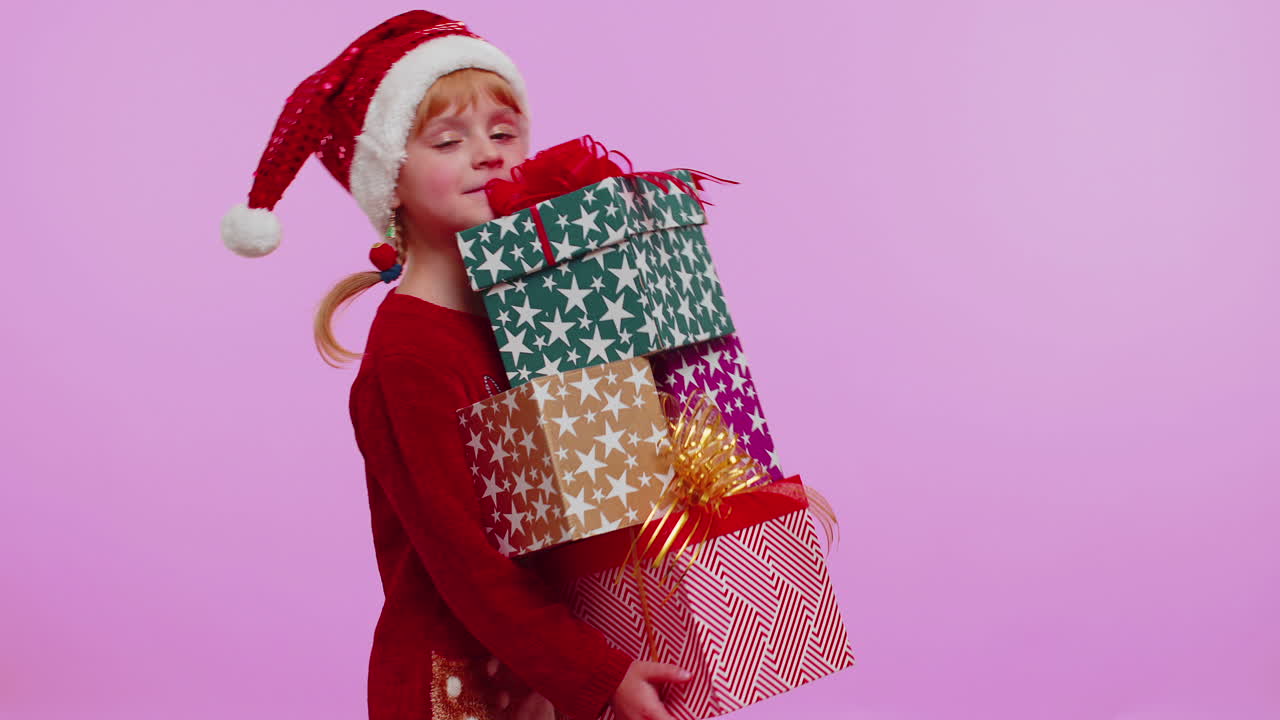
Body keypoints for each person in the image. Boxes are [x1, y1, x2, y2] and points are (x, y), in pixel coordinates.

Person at [220, 10, 692, 720]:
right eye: (449, 140)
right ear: (390, 185)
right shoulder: (408, 357)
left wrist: (739, 505)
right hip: (457, 690)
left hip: (556, 669)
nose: (489, 154)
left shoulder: (544, 312)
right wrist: (596, 673)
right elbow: (465, 564)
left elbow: (618, 467)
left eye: (505, 133)